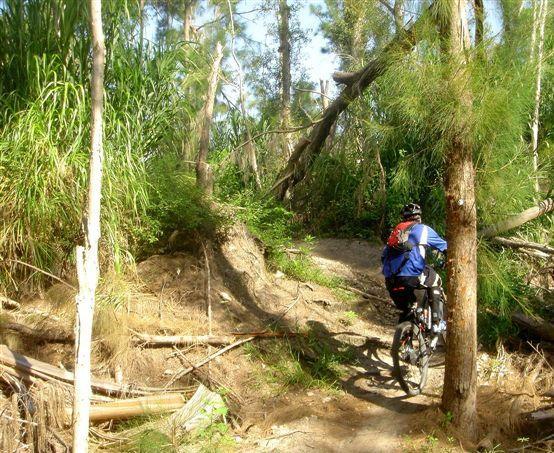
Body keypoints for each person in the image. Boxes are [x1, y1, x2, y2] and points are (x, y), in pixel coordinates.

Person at [381, 203, 447, 333]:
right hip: (411, 276)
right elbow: (446, 247)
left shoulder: (395, 232)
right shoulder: (423, 229)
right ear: (419, 217)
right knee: (435, 280)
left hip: (390, 280)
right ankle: (437, 322)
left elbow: (383, 256)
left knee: (407, 310)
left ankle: (405, 339)